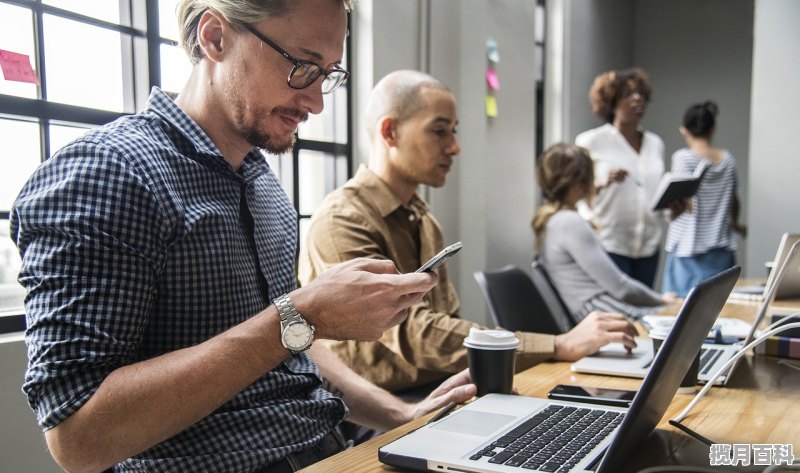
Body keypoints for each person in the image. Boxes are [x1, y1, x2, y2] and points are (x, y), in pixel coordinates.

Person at [9, 2, 478, 472]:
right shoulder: (110, 173)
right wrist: (301, 313)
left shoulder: (263, 185)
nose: (316, 101)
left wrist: (400, 415)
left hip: (329, 447)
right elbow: (77, 438)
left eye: (328, 74)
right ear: (214, 38)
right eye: (301, 66)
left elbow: (292, 343)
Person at [299, 70, 639, 398]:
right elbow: (411, 332)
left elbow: (446, 323)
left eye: (454, 132)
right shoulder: (342, 221)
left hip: (438, 387)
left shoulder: (423, 218)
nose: (455, 147)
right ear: (390, 133)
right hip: (379, 408)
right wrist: (556, 344)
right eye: (440, 131)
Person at [532, 143, 677, 321]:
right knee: (688, 316)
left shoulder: (553, 220)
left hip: (601, 312)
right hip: (605, 315)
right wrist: (663, 301)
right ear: (580, 183)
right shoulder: (569, 222)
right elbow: (621, 287)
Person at [575, 67, 665, 288]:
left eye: (641, 95)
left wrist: (674, 206)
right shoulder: (590, 142)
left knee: (642, 314)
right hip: (609, 244)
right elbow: (576, 191)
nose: (637, 99)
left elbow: (653, 192)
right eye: (627, 95)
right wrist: (603, 182)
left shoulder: (655, 143)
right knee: (616, 314)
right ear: (611, 103)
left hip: (648, 245)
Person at [662, 101, 746, 296]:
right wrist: (736, 224)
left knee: (681, 313)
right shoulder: (728, 160)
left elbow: (679, 199)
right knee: (720, 308)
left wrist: (669, 213)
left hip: (687, 249)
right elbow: (734, 200)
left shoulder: (683, 158)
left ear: (684, 130)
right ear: (713, 128)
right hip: (721, 248)